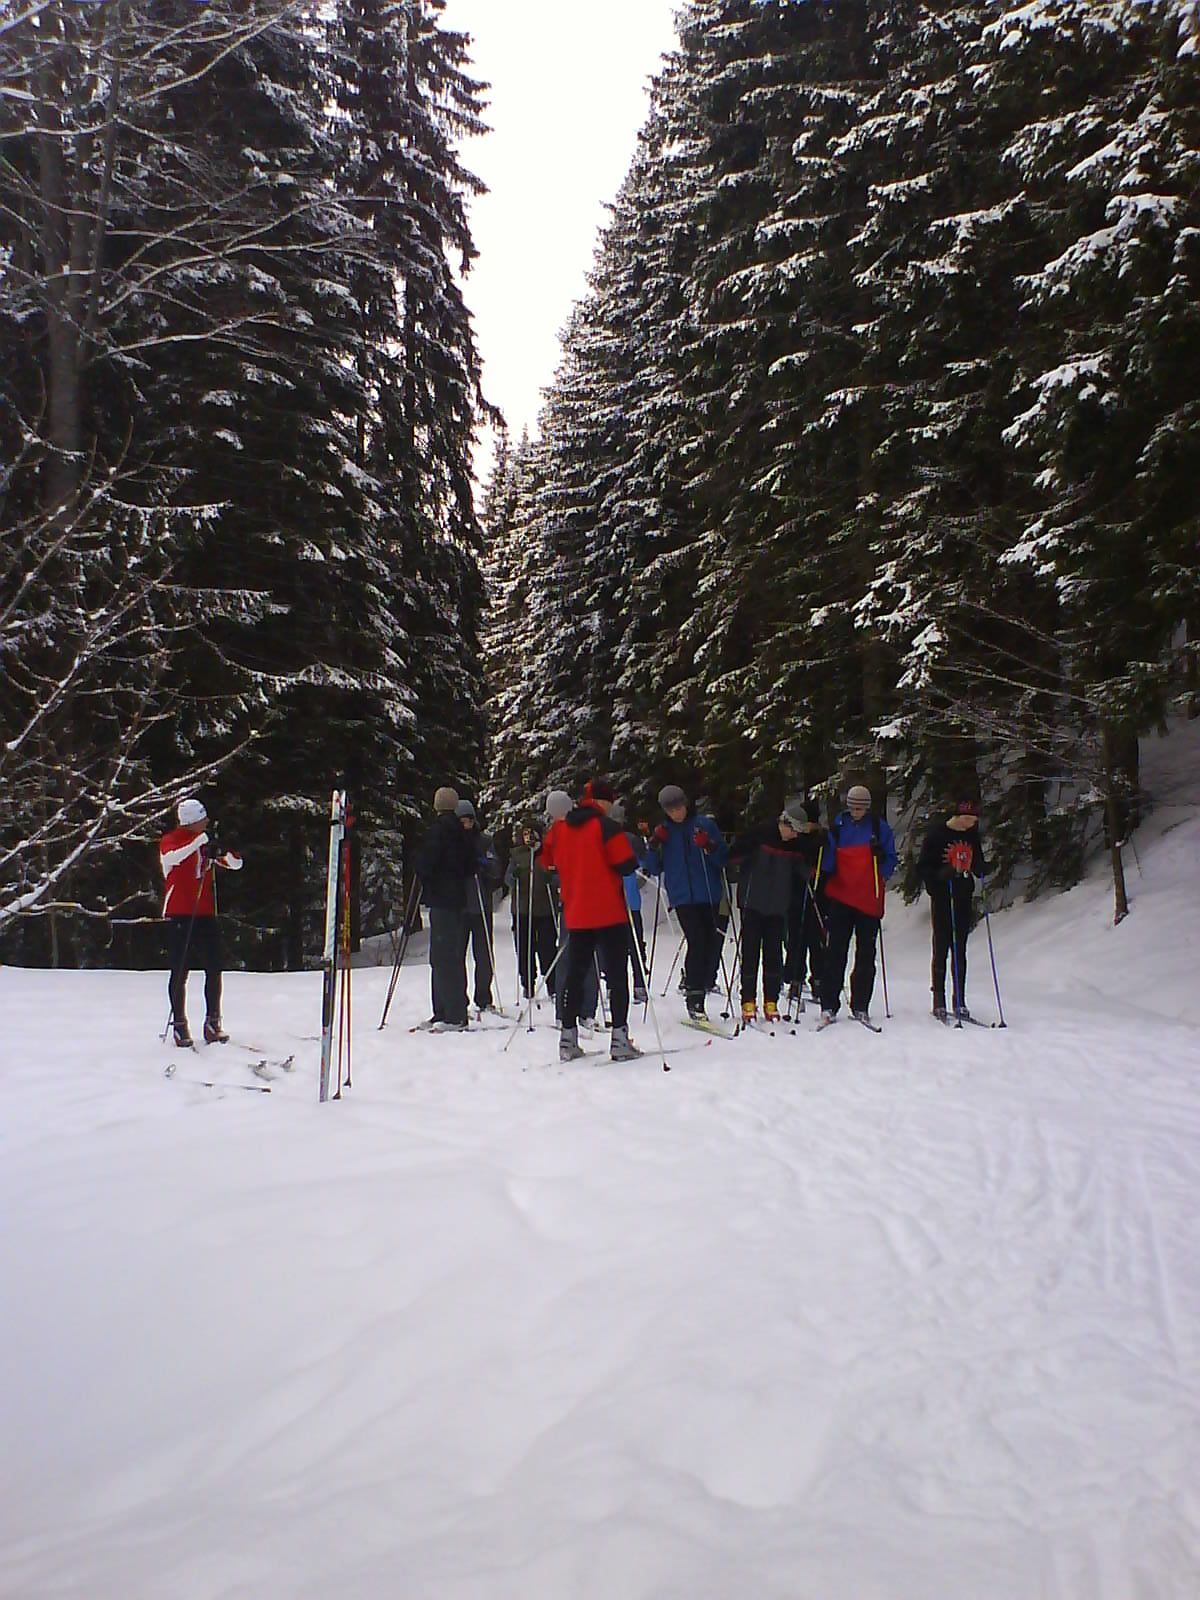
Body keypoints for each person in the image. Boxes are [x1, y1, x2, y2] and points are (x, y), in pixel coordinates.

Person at [538, 778, 642, 1062]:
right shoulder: (606, 826)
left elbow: (545, 861)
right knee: (616, 975)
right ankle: (619, 1039)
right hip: (609, 911)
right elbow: (626, 864)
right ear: (602, 801)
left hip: (576, 911)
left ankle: (567, 1039)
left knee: (575, 973)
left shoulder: (561, 828)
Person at [159, 797, 244, 1047]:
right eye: (202, 819)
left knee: (214, 967)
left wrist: (221, 851)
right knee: (180, 970)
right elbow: (171, 859)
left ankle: (213, 1022)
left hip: (205, 913)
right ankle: (179, 1024)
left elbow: (237, 864)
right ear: (191, 821)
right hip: (179, 913)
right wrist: (199, 842)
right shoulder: (171, 840)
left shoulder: (204, 841)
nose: (206, 822)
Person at [642, 783, 729, 1022]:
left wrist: (709, 846)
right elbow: (653, 867)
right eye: (670, 810)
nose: (675, 813)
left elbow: (723, 858)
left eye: (678, 807)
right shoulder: (665, 832)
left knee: (710, 943)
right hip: (682, 897)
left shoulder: (704, 825)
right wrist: (654, 845)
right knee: (697, 941)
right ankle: (694, 998)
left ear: (685, 804)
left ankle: (700, 985)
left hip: (708, 894)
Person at [818, 784, 897, 1026]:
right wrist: (820, 859)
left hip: (868, 898)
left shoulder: (879, 828)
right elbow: (828, 862)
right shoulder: (838, 827)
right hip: (842, 896)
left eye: (860, 808)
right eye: (853, 808)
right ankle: (829, 1005)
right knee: (835, 951)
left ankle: (860, 1004)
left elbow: (890, 860)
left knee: (866, 953)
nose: (856, 812)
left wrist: (881, 861)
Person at [728, 809, 810, 1024]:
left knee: (774, 955)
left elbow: (802, 870)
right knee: (750, 953)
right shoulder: (760, 834)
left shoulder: (794, 846)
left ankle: (771, 1000)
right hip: (752, 904)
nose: (795, 836)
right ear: (785, 824)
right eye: (794, 831)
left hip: (777, 907)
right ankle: (748, 1000)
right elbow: (733, 857)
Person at [917, 799, 990, 1020]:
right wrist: (940, 876)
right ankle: (938, 999)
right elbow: (924, 867)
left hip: (963, 895)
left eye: (973, 820)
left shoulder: (971, 836)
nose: (970, 824)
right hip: (942, 896)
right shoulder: (937, 835)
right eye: (967, 819)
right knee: (941, 947)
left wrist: (983, 869)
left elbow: (976, 862)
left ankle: (960, 1000)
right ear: (957, 816)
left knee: (960, 948)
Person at [412, 786, 477, 1032]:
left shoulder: (438, 831)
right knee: (449, 957)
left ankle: (452, 1014)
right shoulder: (462, 832)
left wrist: (421, 867)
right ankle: (446, 1011)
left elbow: (426, 863)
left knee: (442, 958)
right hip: (457, 900)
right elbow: (470, 865)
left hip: (442, 900)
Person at [781, 794, 832, 1008]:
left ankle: (818, 979)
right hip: (795, 892)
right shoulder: (795, 837)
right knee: (795, 938)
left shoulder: (823, 838)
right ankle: (795, 978)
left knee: (816, 938)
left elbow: (829, 862)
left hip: (818, 893)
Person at [457, 799, 502, 1013]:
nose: (465, 824)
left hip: (481, 905)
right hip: (460, 906)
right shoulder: (453, 841)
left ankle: (484, 997)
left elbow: (496, 869)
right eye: (461, 821)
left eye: (468, 820)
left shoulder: (484, 841)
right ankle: (460, 998)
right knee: (458, 955)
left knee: (483, 955)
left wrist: (484, 865)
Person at [505, 820, 558, 1000]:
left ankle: (551, 982)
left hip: (545, 909)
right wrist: (514, 877)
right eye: (526, 834)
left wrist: (552, 879)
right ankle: (527, 982)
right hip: (522, 909)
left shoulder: (549, 853)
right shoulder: (517, 855)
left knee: (547, 948)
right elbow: (507, 879)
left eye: (532, 833)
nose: (529, 838)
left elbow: (558, 875)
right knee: (524, 949)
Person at [610, 801, 649, 1005]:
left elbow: (643, 870)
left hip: (627, 903)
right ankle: (627, 986)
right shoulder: (624, 839)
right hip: (618, 904)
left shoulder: (631, 840)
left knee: (631, 946)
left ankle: (637, 985)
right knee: (625, 947)